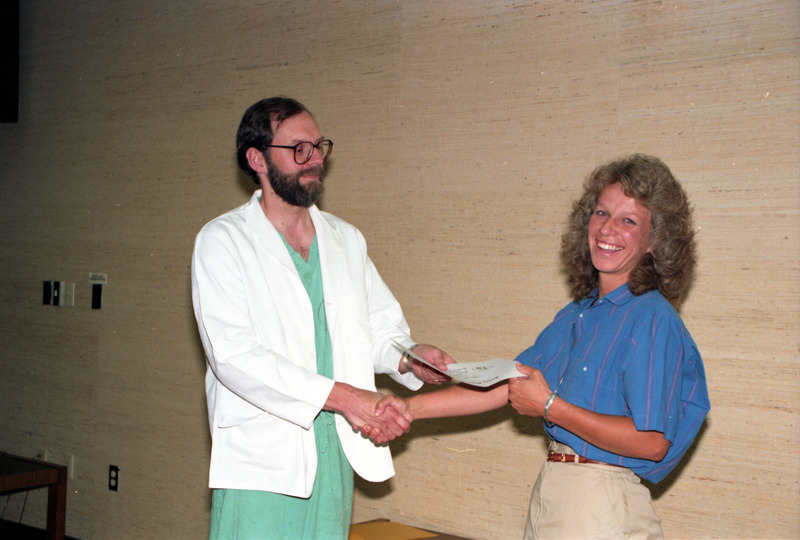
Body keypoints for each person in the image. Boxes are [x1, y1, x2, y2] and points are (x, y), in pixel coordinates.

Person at [377, 154, 710, 539]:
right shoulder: (577, 314)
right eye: (602, 212)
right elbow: (506, 385)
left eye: (629, 220)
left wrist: (551, 406)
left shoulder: (652, 317)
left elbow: (652, 442)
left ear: (654, 240)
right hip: (554, 490)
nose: (608, 228)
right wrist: (408, 409)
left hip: (601, 501)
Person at [191, 96, 453, 539]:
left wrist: (409, 357)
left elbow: (377, 330)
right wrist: (347, 398)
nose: (314, 159)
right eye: (299, 149)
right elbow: (232, 356)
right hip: (263, 461)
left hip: (335, 454)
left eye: (318, 146)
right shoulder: (222, 241)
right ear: (257, 159)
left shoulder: (345, 239)